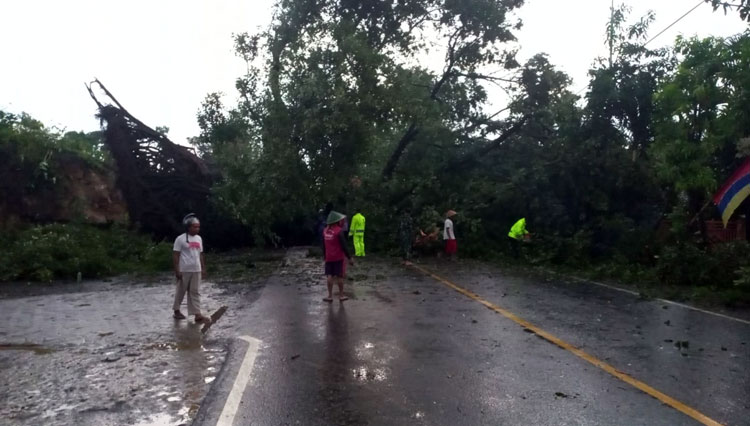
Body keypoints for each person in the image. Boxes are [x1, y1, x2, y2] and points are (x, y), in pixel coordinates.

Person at [172, 213, 209, 323]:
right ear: (188, 227)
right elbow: (175, 255)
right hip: (184, 269)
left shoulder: (198, 239)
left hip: (196, 269)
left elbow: (200, 254)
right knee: (181, 291)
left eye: (198, 226)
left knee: (195, 291)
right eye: (195, 226)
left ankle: (197, 314)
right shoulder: (180, 239)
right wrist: (177, 270)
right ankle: (176, 310)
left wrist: (203, 268)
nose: (197, 229)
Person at [322, 211, 354, 302]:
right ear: (337, 221)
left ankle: (329, 296)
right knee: (340, 277)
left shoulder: (325, 231)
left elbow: (323, 245)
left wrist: (324, 256)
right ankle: (341, 295)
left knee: (329, 276)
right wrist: (349, 257)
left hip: (328, 258)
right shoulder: (339, 231)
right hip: (338, 258)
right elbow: (344, 246)